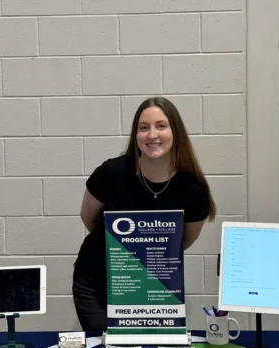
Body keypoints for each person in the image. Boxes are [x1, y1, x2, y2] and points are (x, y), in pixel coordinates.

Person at [72, 96, 217, 331]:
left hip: (152, 288)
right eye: (144, 128)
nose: (152, 135)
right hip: (95, 283)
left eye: (161, 126)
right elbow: (88, 218)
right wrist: (122, 249)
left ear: (175, 132)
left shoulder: (192, 189)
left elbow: (184, 240)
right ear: (135, 134)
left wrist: (147, 254)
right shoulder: (111, 172)